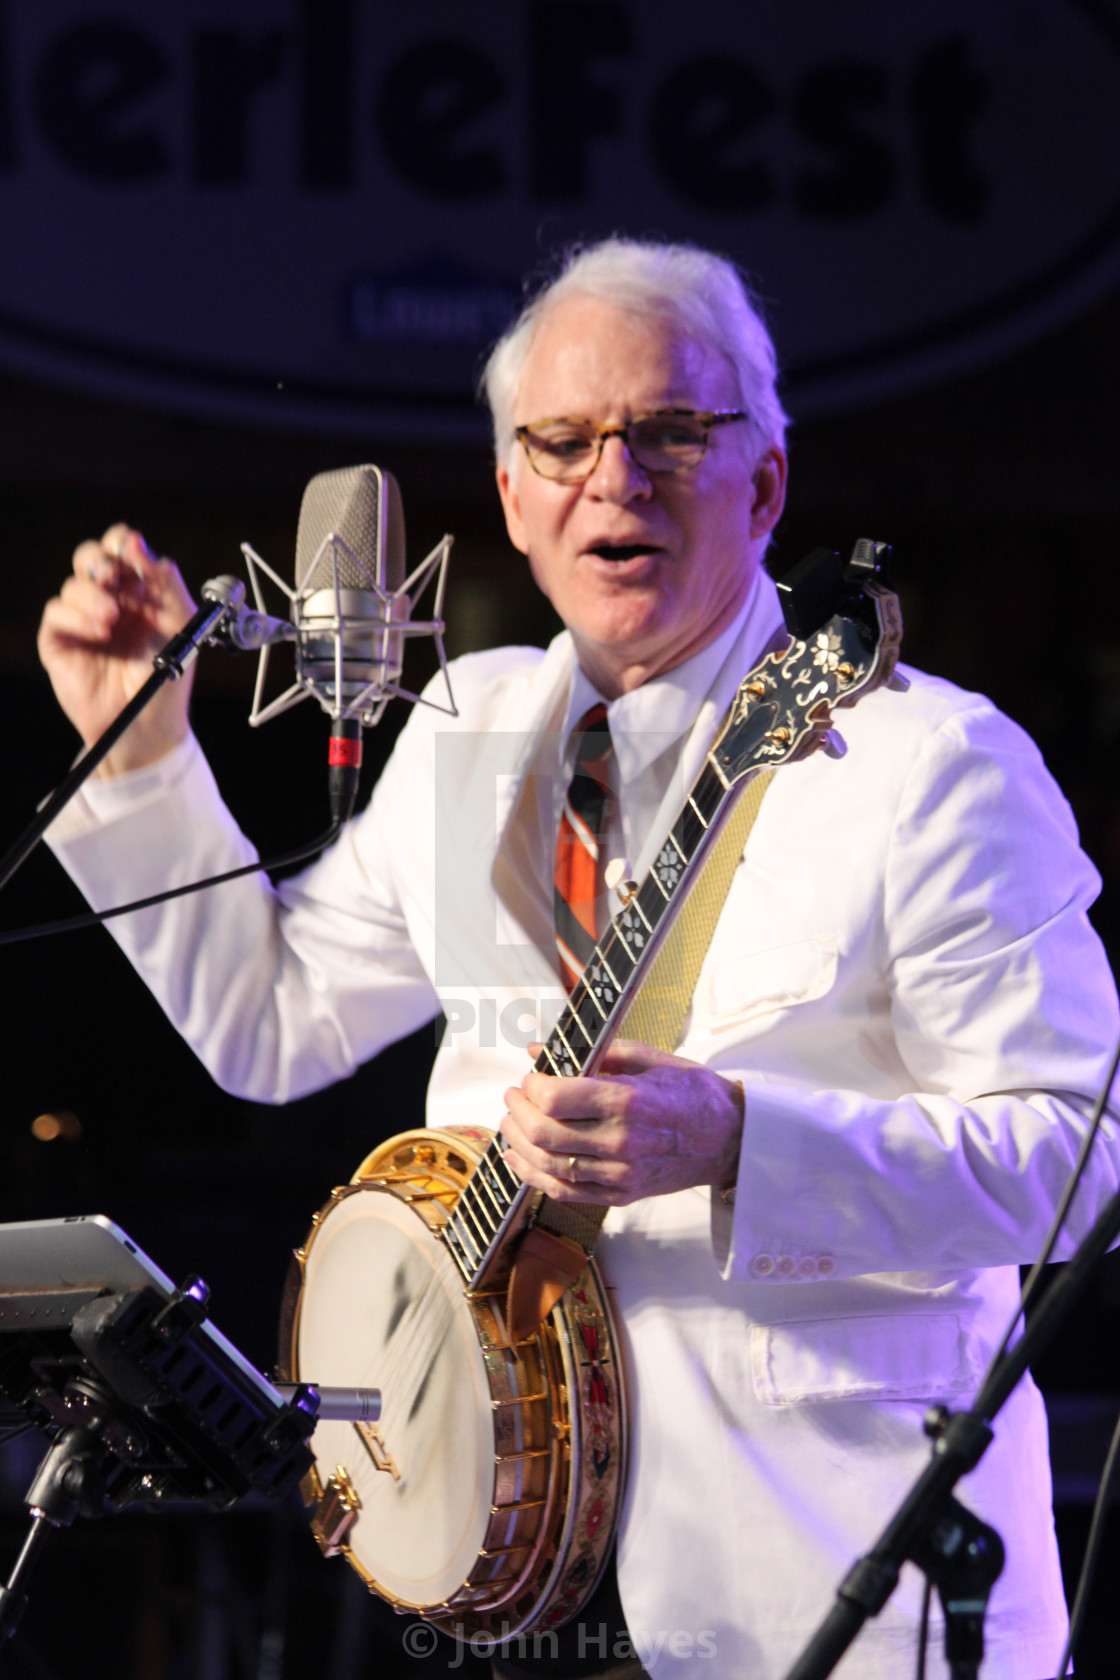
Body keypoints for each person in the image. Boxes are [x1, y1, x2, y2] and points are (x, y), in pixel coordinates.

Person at [38, 238, 1120, 1680]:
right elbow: (268, 1020)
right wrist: (145, 759)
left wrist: (740, 1142)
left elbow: (1079, 1164)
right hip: (506, 1579)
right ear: (512, 498)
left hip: (829, 1590)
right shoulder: (467, 737)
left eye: (672, 432)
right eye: (564, 441)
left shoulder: (932, 766)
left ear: (768, 482)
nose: (616, 476)